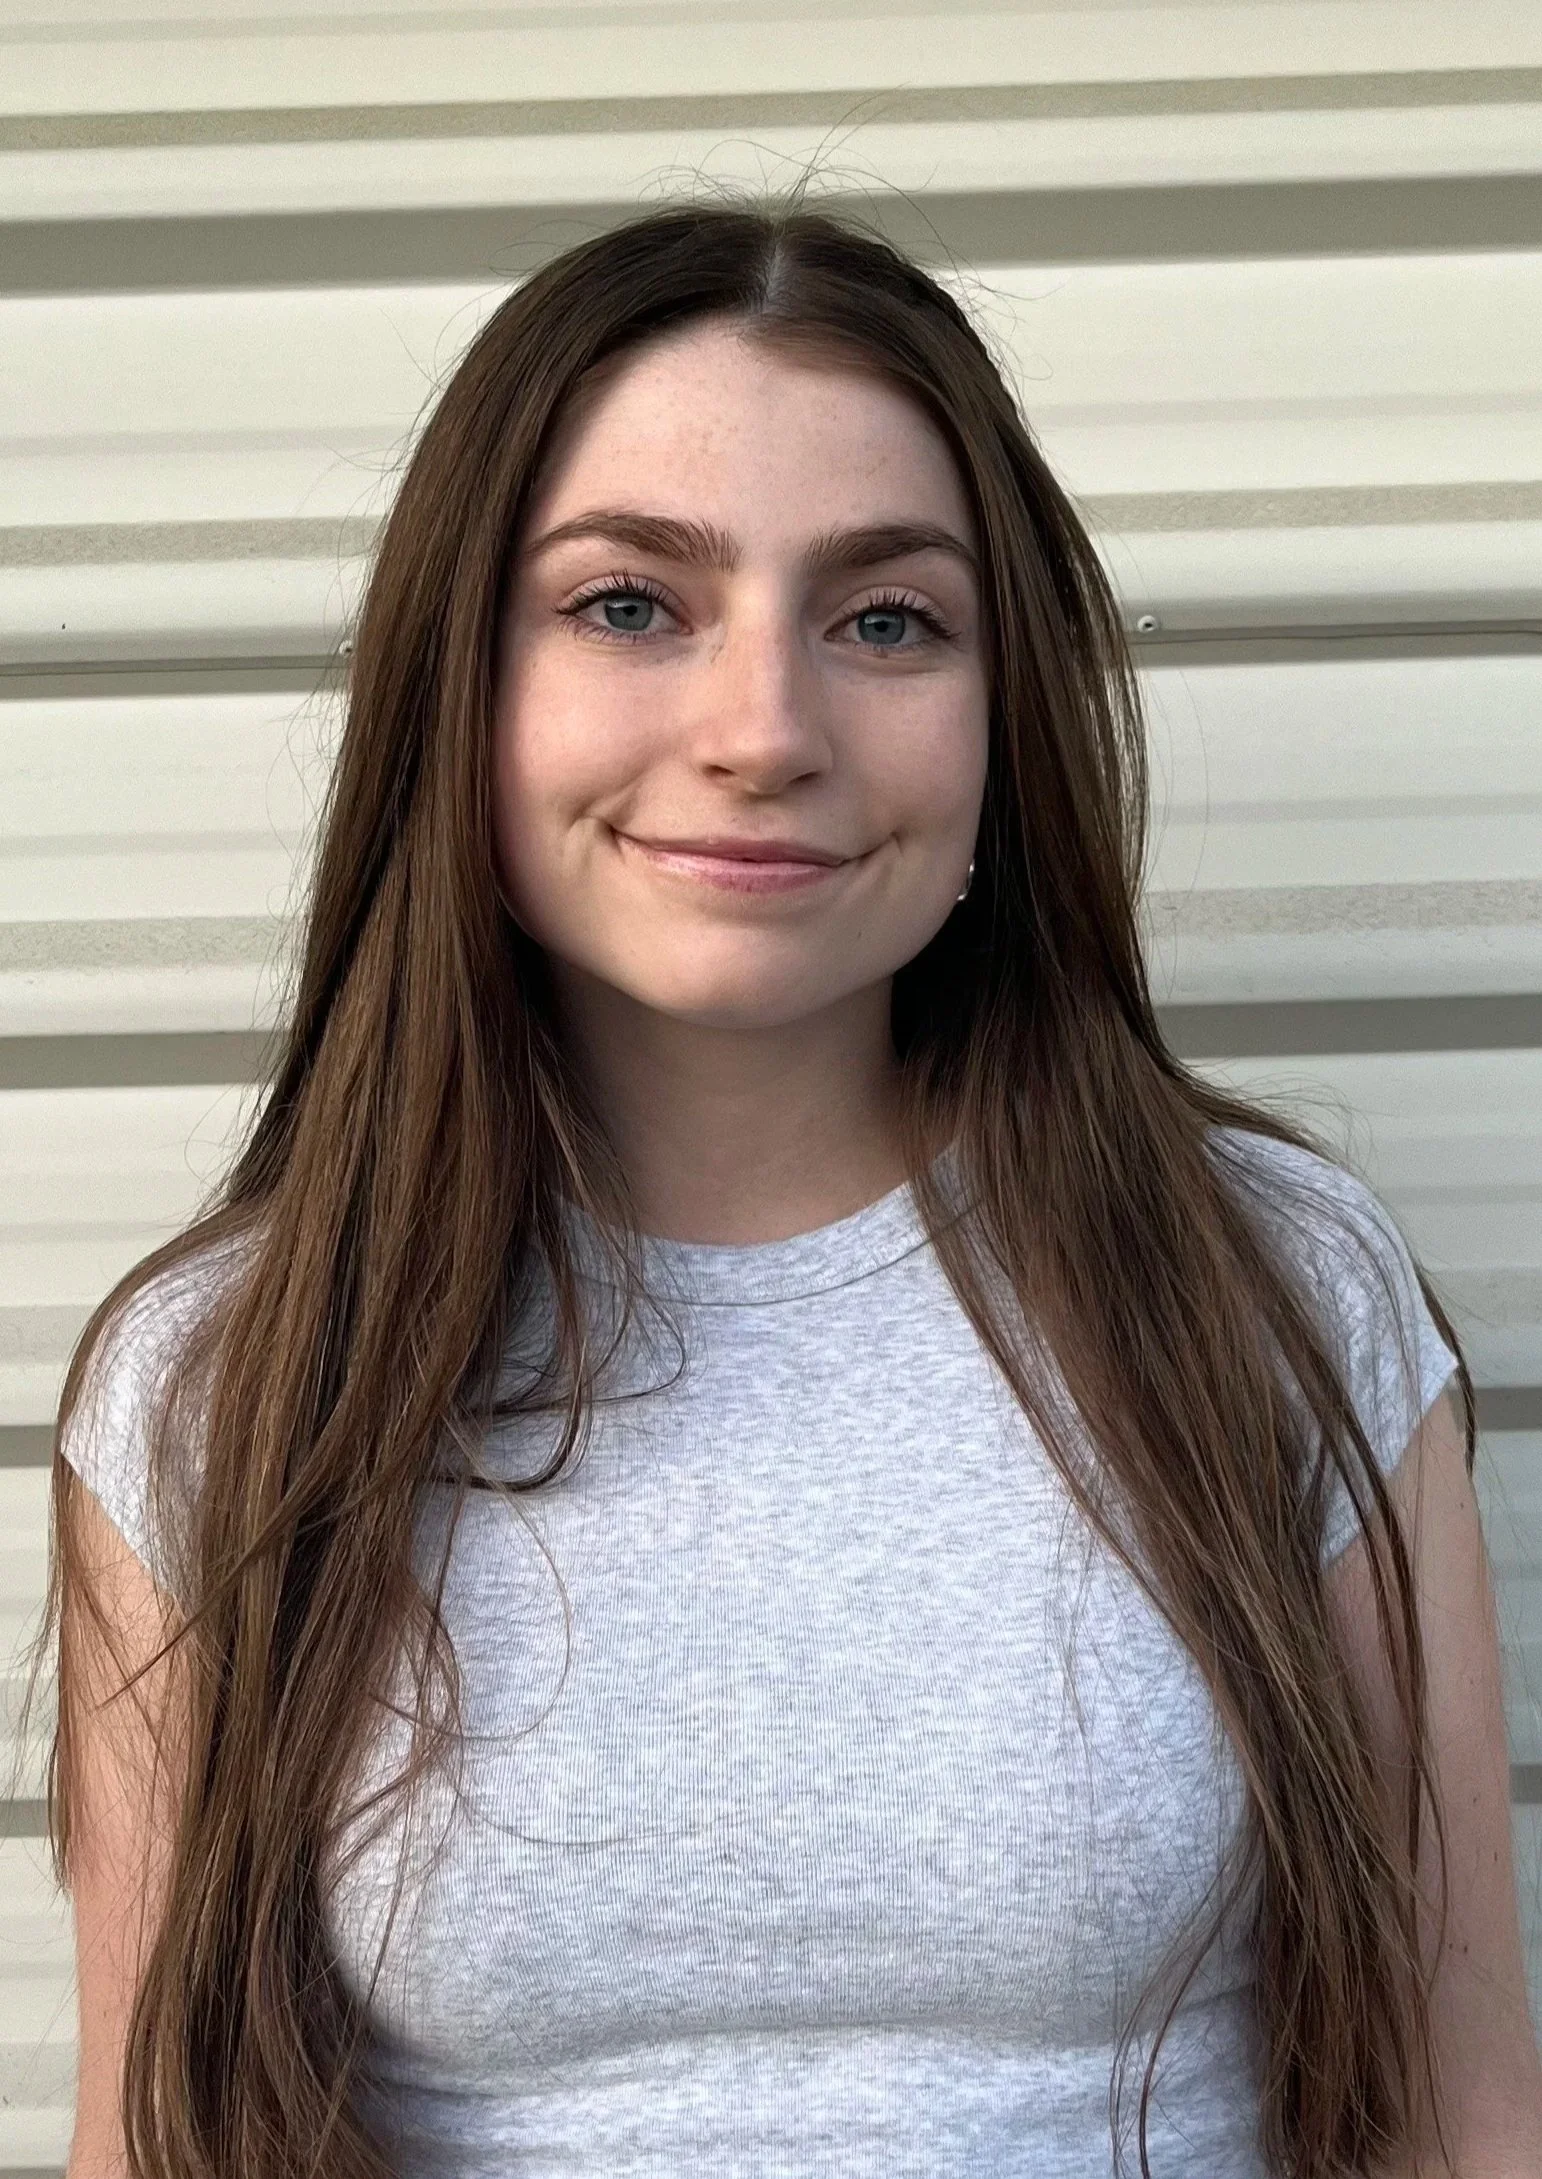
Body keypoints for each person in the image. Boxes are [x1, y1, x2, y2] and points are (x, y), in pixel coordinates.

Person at [34, 193, 1541, 2179]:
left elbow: (1456, 2110)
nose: (765, 732)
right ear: (459, 694)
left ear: (1006, 723)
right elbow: (165, 2139)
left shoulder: (1263, 1282)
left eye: (888, 618)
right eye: (629, 604)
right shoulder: (226, 1374)